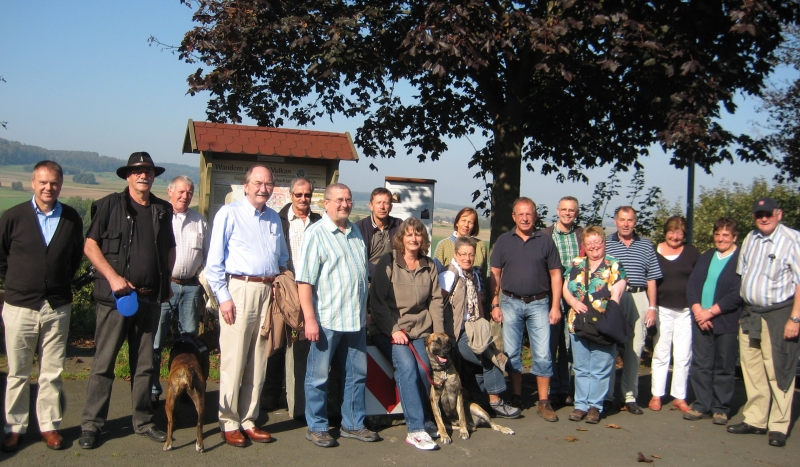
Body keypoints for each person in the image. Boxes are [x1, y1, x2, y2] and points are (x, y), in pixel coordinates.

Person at [79, 152, 176, 449]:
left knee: (145, 365)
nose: (142, 175)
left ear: (153, 176)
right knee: (103, 364)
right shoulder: (110, 205)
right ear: (127, 176)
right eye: (137, 171)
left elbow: (170, 248)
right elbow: (90, 245)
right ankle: (92, 426)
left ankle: (144, 421)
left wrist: (166, 280)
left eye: (147, 170)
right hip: (116, 299)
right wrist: (113, 277)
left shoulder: (162, 209)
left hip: (149, 300)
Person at [0, 161, 84, 452]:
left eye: (54, 183)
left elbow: (73, 260)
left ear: (61, 185)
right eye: (43, 182)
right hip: (20, 306)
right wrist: (19, 285)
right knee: (18, 371)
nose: (49, 188)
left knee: (52, 371)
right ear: (33, 183)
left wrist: (56, 283)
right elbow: (1, 259)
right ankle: (15, 427)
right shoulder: (13, 217)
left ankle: (49, 426)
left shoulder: (71, 218)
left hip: (57, 306)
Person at [205, 164, 289, 447]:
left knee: (258, 359)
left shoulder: (274, 219)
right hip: (238, 290)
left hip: (268, 291)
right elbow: (213, 263)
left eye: (268, 184)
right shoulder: (229, 214)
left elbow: (282, 260)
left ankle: (249, 419)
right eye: (258, 183)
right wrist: (223, 297)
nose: (263, 188)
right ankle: (228, 421)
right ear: (246, 185)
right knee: (234, 358)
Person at [296, 183, 380, 448]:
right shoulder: (316, 234)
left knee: (357, 375)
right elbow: (305, 282)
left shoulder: (355, 231)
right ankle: (317, 426)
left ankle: (353, 424)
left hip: (354, 319)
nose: (345, 204)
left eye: (349, 199)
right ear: (327, 203)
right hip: (326, 319)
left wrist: (365, 310)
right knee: (318, 376)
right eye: (339, 200)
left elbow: (359, 277)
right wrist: (310, 319)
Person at [728, 197, 800, 448]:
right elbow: (743, 275)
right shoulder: (750, 239)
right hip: (751, 313)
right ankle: (756, 419)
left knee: (779, 368)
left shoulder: (792, 240)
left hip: (779, 313)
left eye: (768, 213)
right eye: (759, 214)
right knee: (752, 368)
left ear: (779, 213)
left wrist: (795, 317)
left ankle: (779, 424)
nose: (764, 218)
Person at [370, 217, 445, 450]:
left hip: (420, 331)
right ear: (401, 238)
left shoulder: (429, 265)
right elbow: (378, 302)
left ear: (423, 238)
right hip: (389, 330)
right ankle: (416, 430)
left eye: (418, 234)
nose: (413, 238)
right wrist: (394, 330)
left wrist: (439, 334)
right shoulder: (388, 262)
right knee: (408, 369)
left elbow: (435, 301)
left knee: (425, 372)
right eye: (409, 234)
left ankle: (426, 419)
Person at [489, 197, 563, 420]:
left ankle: (543, 401)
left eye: (528, 214)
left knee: (542, 353)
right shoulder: (503, 241)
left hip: (540, 303)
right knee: (512, 354)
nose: (524, 218)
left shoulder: (545, 241)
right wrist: (494, 303)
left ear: (535, 216)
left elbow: (556, 275)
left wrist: (556, 306)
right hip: (510, 302)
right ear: (513, 217)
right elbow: (495, 274)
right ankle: (517, 395)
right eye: (520, 214)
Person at [440, 236, 520, 419]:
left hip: (475, 329)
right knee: (490, 358)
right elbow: (437, 303)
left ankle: (478, 398)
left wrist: (484, 326)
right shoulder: (450, 274)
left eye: (471, 254)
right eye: (463, 254)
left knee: (481, 362)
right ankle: (495, 402)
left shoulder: (473, 274)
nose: (467, 258)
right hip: (457, 334)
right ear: (455, 254)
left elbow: (480, 305)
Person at [261, 177, 322, 411]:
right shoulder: (279, 219)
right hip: (286, 286)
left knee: (306, 342)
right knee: (278, 340)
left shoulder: (319, 221)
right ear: (290, 195)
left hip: (313, 289)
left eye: (307, 195)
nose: (303, 199)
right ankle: (271, 393)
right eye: (299, 195)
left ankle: (300, 395)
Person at [151, 176, 209, 405]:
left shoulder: (199, 222)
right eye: (181, 192)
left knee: (189, 342)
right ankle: (154, 389)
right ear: (170, 192)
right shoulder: (160, 217)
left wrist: (204, 287)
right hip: (165, 286)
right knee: (156, 341)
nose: (185, 196)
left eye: (189, 192)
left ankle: (188, 386)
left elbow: (208, 256)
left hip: (191, 288)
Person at [562, 226, 627, 424]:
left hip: (603, 323)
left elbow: (618, 291)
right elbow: (566, 288)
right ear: (584, 246)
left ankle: (594, 406)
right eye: (589, 243)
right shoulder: (576, 263)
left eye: (597, 242)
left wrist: (608, 312)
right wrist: (573, 303)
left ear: (604, 243)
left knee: (600, 367)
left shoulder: (613, 265)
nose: (593, 246)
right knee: (581, 367)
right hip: (578, 322)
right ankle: (580, 405)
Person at [684, 218, 742, 426]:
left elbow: (737, 293)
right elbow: (693, 285)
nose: (720, 238)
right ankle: (702, 404)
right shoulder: (708, 255)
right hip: (701, 319)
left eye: (726, 235)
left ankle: (720, 407)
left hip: (725, 320)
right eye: (717, 234)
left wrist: (711, 312)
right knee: (701, 364)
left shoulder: (740, 258)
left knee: (724, 365)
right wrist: (698, 311)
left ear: (734, 237)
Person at [604, 206, 662, 414]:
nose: (626, 224)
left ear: (635, 222)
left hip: (639, 297)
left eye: (629, 220)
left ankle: (629, 396)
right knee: (609, 348)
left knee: (634, 348)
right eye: (622, 220)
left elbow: (652, 279)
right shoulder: (607, 244)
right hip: (613, 297)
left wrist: (652, 307)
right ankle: (607, 396)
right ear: (616, 221)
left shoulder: (646, 246)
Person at [649, 216, 700, 412]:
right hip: (662, 308)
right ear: (665, 232)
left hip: (686, 310)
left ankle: (680, 396)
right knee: (661, 353)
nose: (675, 236)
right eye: (671, 231)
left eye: (679, 232)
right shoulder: (655, 251)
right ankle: (656, 395)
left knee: (683, 354)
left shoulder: (692, 252)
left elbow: (699, 279)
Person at [542, 196, 584, 406]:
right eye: (564, 209)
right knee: (550, 343)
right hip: (551, 295)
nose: (568, 213)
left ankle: (564, 387)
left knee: (569, 344)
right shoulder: (545, 235)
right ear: (557, 211)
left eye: (571, 210)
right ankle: (549, 389)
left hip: (575, 297)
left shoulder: (581, 235)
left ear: (576, 213)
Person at [355, 187, 402, 279]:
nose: (382, 207)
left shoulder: (399, 225)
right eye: (378, 203)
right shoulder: (359, 228)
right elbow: (358, 259)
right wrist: (381, 273)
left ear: (391, 207)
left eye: (386, 203)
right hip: (368, 281)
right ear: (371, 206)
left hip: (394, 279)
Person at [433, 207, 488, 276]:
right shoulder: (443, 245)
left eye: (470, 222)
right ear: (457, 222)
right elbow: (435, 274)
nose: (466, 225)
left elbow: (484, 275)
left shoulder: (481, 246)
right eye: (463, 220)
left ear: (474, 226)